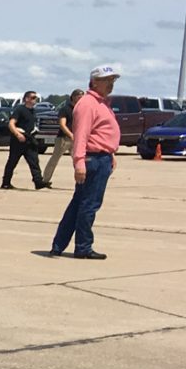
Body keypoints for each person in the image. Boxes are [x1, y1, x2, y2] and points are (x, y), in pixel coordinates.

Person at [51, 67, 121, 260]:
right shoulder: (88, 104)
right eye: (107, 80)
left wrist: (111, 153)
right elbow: (81, 135)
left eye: (113, 80)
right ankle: (83, 246)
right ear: (94, 82)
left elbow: (102, 133)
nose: (111, 84)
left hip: (102, 157)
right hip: (93, 160)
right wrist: (79, 162)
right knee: (89, 205)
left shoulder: (101, 103)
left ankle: (59, 245)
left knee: (79, 203)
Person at [0, 90, 47, 190]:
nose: (35, 100)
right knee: (12, 162)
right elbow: (11, 124)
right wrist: (17, 135)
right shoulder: (20, 109)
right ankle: (6, 182)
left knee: (34, 161)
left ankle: (38, 182)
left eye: (36, 98)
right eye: (33, 98)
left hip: (29, 140)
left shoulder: (33, 111)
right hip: (18, 141)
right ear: (27, 99)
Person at [43, 87, 84, 183]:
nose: (81, 99)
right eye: (79, 97)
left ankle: (81, 181)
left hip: (77, 139)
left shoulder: (81, 110)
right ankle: (45, 180)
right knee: (55, 159)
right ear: (73, 97)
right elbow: (62, 124)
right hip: (63, 139)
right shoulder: (65, 109)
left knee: (78, 160)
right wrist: (70, 134)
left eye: (82, 97)